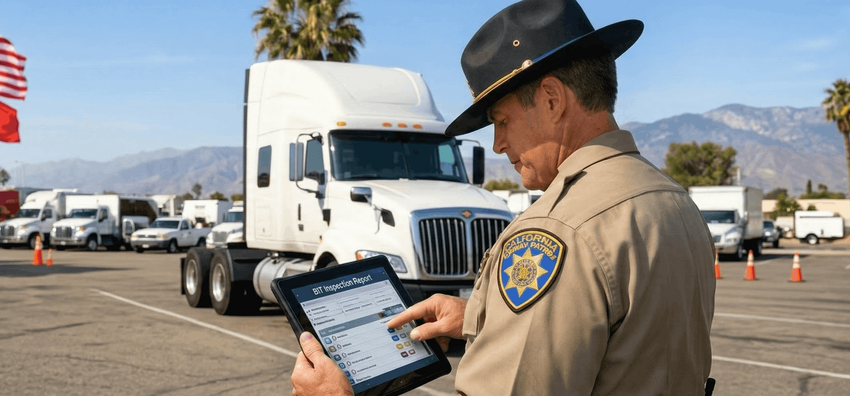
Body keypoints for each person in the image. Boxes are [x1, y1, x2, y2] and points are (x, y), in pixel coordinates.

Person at [290, 0, 716, 395]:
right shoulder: (670, 199)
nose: (497, 144)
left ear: (552, 100)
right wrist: (481, 315)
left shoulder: (556, 231)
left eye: (502, 120)